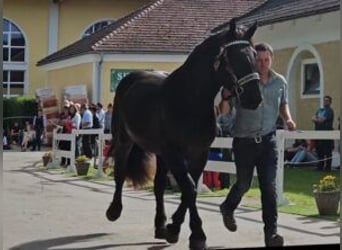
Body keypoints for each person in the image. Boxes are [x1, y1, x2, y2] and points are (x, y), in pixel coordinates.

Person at [219, 42, 296, 247]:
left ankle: (271, 235)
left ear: (271, 59)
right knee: (243, 184)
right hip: (244, 142)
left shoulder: (280, 81)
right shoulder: (243, 82)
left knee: (269, 189)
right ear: (254, 61)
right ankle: (228, 207)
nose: (262, 64)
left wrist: (288, 119)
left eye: (266, 59)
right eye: (259, 60)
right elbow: (226, 110)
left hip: (268, 142)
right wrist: (225, 101)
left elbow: (283, 103)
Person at [312, 95, 334, 171]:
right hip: (318, 133)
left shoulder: (329, 111)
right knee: (319, 151)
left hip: (327, 134)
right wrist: (318, 119)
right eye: (324, 100)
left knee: (327, 151)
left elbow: (322, 120)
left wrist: (318, 119)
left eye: (327, 100)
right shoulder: (320, 110)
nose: (325, 102)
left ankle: (328, 168)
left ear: (330, 102)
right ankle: (320, 167)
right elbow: (313, 118)